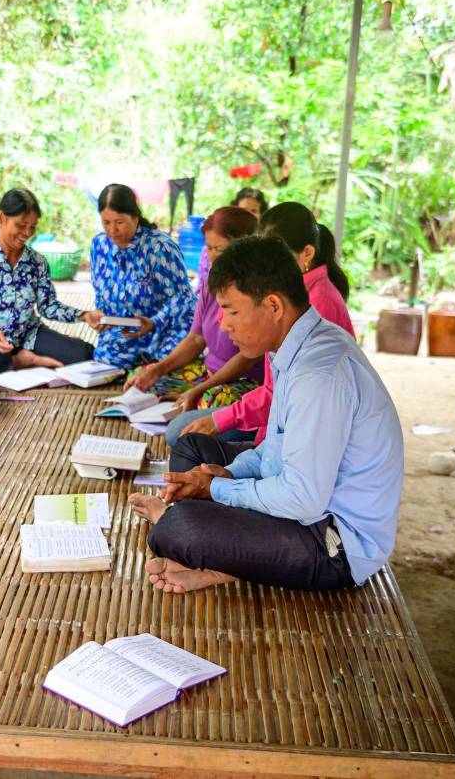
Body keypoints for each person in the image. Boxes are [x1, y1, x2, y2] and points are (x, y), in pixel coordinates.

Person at [128, 236, 403, 594]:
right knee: (193, 447)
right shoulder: (296, 347)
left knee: (179, 528)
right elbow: (274, 448)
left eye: (232, 310)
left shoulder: (318, 375)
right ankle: (228, 563)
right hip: (308, 511)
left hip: (336, 544)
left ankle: (219, 556)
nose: (224, 325)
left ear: (273, 305)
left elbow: (303, 499)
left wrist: (218, 490)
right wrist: (224, 474)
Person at [171, 203, 355, 447]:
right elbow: (274, 391)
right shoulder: (291, 295)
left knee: (185, 440)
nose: (225, 325)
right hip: (272, 433)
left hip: (286, 439)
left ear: (307, 253)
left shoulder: (315, 303)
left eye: (233, 312)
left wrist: (225, 427)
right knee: (184, 437)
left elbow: (287, 415)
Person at [123, 206, 263, 410]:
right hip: (208, 373)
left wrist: (198, 390)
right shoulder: (210, 284)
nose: (214, 256)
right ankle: (187, 402)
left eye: (220, 249)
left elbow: (247, 358)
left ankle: (192, 403)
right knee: (141, 378)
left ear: (244, 247)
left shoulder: (256, 291)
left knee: (211, 401)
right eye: (210, 248)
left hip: (244, 380)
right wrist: (157, 370)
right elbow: (196, 339)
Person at [0, 188, 104, 375]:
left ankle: (23, 356)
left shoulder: (37, 262)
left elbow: (47, 306)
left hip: (29, 335)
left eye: (32, 226)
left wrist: (83, 315)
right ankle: (20, 361)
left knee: (84, 355)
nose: (27, 232)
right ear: (1, 218)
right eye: (21, 225)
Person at [90, 183, 195, 370]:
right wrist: (102, 318)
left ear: (135, 216)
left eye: (119, 222)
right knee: (105, 359)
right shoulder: (100, 245)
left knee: (168, 363)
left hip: (164, 328)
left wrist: (154, 322)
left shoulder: (160, 247)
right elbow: (100, 292)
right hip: (124, 331)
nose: (112, 230)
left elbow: (184, 298)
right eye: (106, 222)